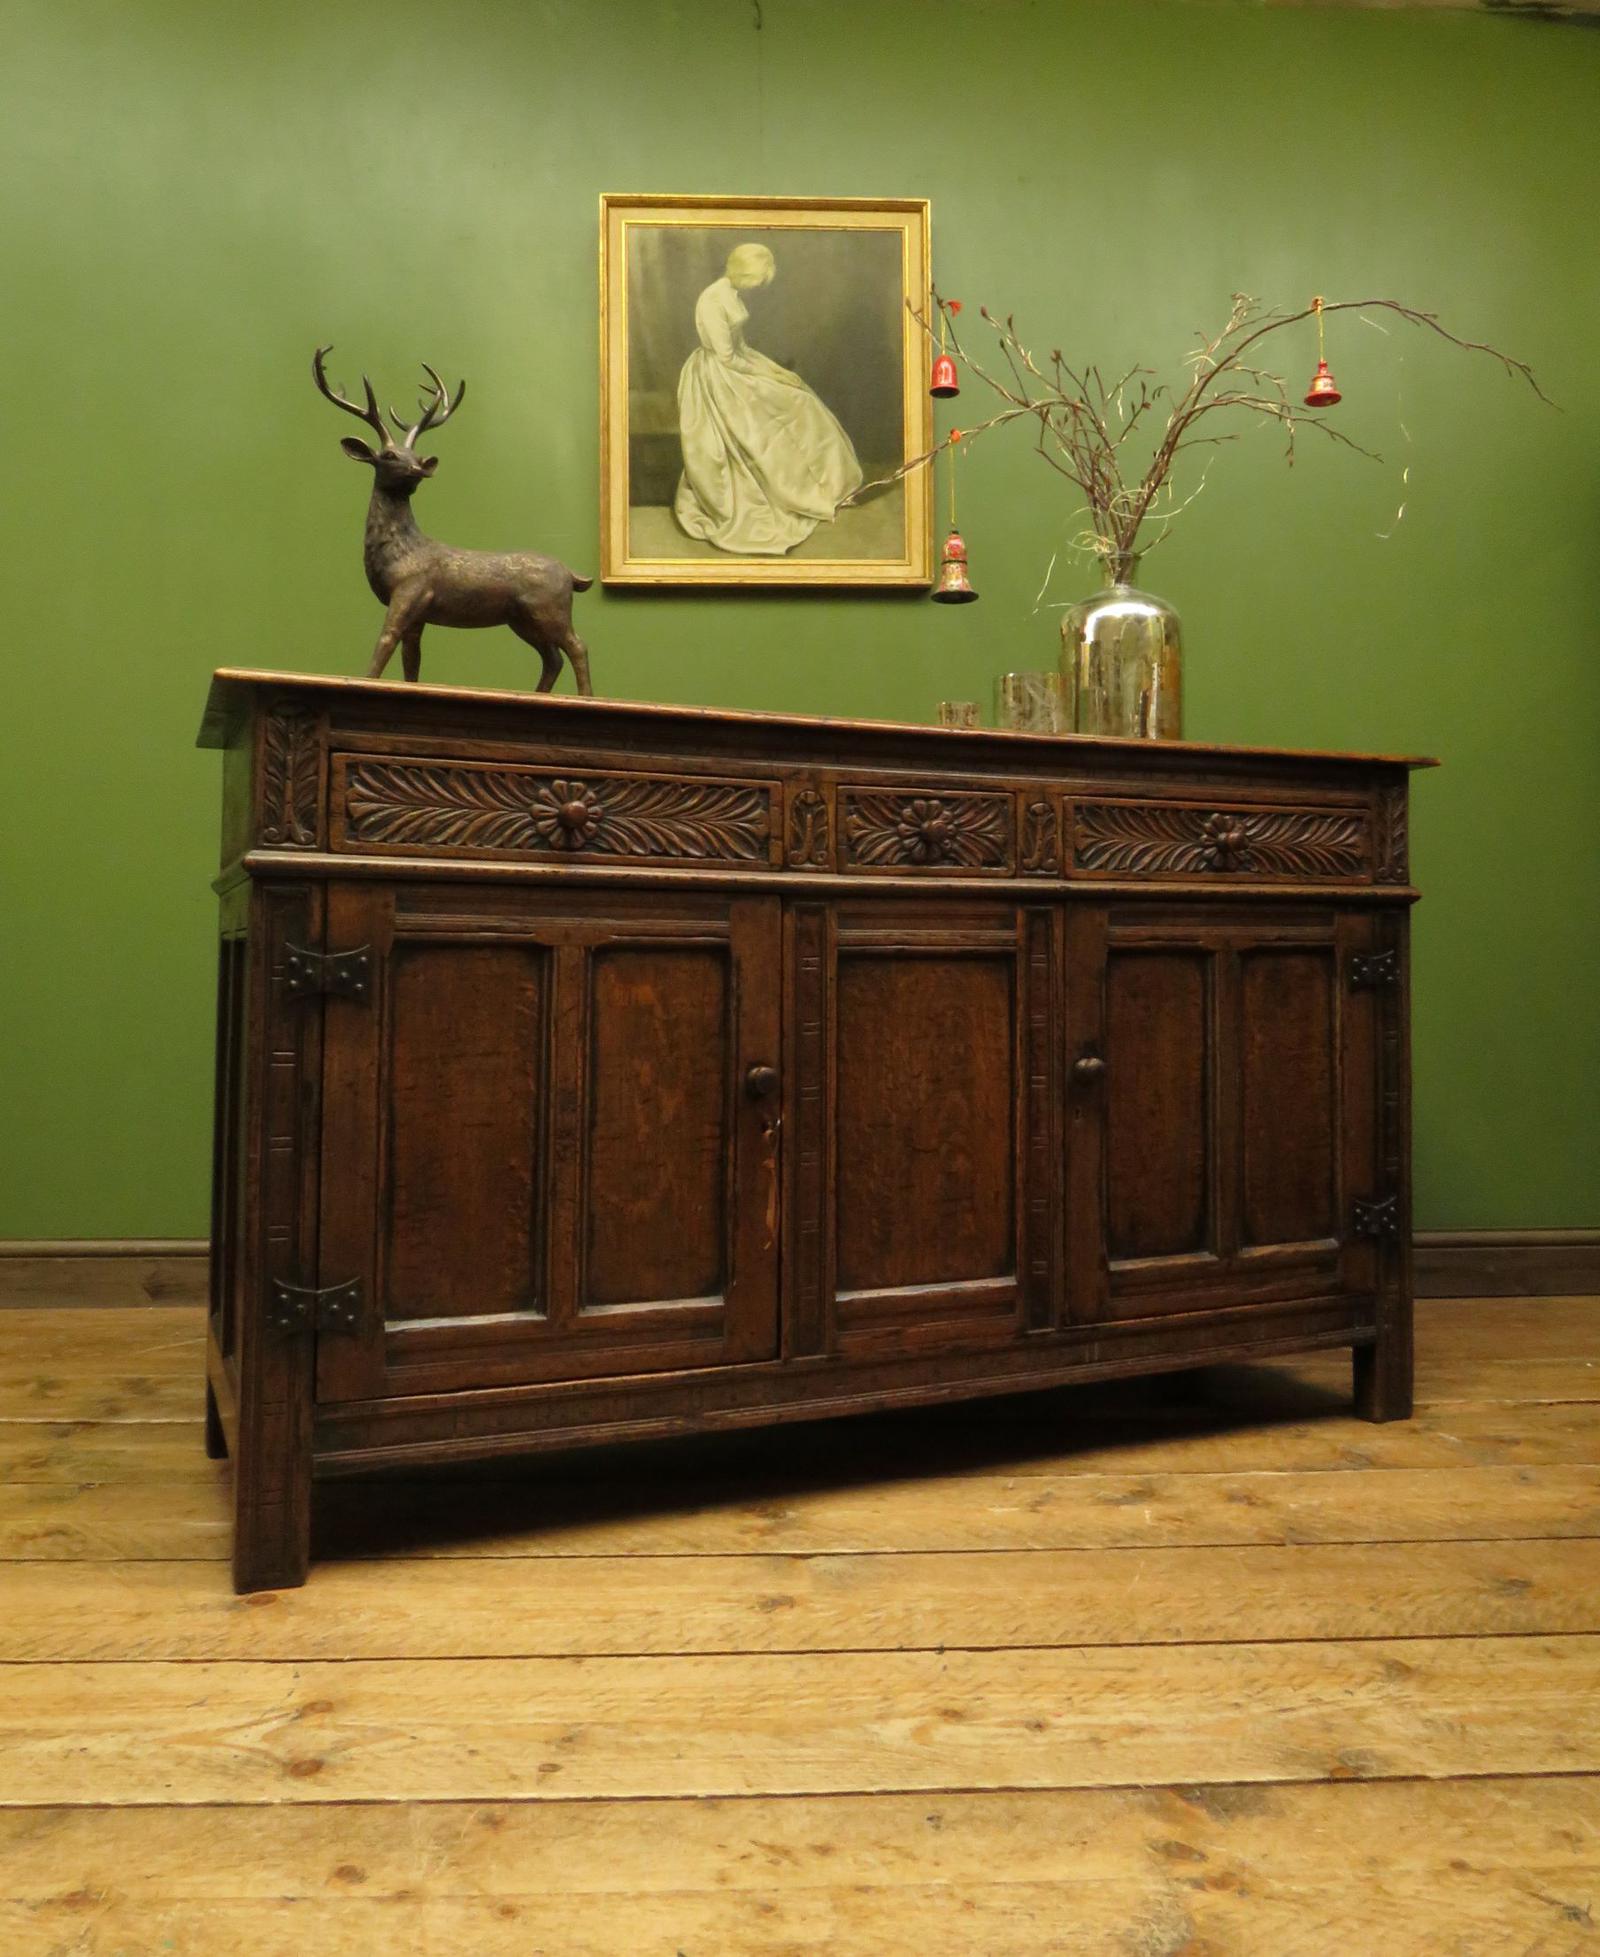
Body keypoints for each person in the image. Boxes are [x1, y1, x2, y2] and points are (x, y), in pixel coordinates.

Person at [674, 242, 864, 556]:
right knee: (783, 415)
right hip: (720, 380)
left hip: (738, 366)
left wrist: (777, 372)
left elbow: (741, 349)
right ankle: (798, 493)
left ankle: (826, 488)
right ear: (742, 271)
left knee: (801, 396)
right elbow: (726, 358)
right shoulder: (712, 300)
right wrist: (769, 377)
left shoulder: (730, 293)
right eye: (756, 279)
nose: (758, 286)